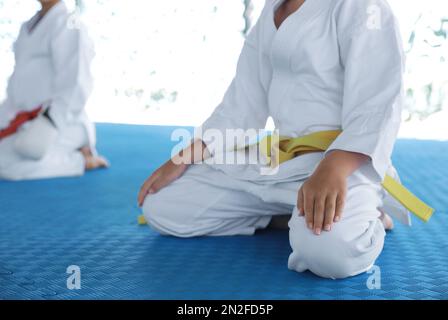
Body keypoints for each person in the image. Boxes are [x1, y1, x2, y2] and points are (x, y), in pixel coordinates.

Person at [138, 0, 406, 279]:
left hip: (342, 166)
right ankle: (283, 214)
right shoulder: (272, 10)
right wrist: (183, 157)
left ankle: (371, 214)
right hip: (281, 160)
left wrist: (334, 167)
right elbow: (241, 106)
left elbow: (376, 105)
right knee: (163, 204)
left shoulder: (363, 6)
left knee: (328, 253)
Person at [0, 0, 108, 181]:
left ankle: (79, 160)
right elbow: (16, 87)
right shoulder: (27, 27)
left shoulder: (71, 25)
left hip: (62, 122)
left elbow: (76, 84)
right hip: (22, 120)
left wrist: (49, 123)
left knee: (7, 162)